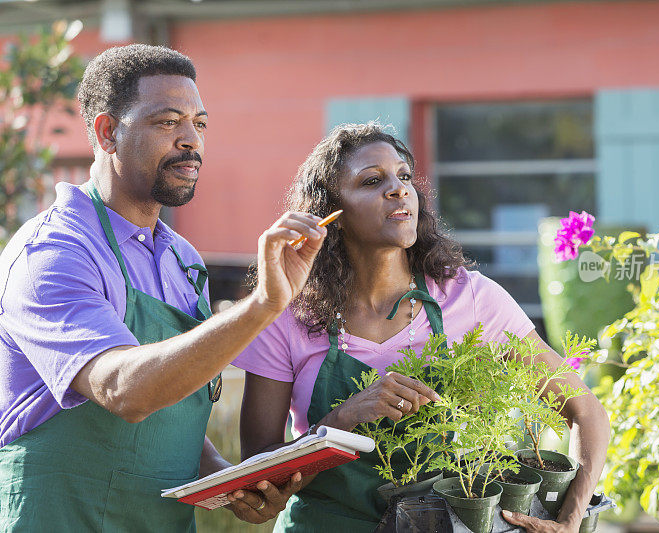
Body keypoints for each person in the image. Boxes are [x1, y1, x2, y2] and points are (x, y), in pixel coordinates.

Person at [0, 44, 328, 531]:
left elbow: (171, 397)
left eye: (199, 123)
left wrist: (224, 479)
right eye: (167, 122)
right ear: (108, 132)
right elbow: (124, 390)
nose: (191, 140)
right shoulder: (53, 253)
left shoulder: (182, 258)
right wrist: (263, 305)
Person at [234, 123, 612, 533]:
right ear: (332, 215)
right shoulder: (288, 314)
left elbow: (584, 410)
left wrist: (571, 517)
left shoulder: (470, 298)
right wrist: (342, 420)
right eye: (372, 181)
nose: (399, 190)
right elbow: (258, 480)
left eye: (404, 176)